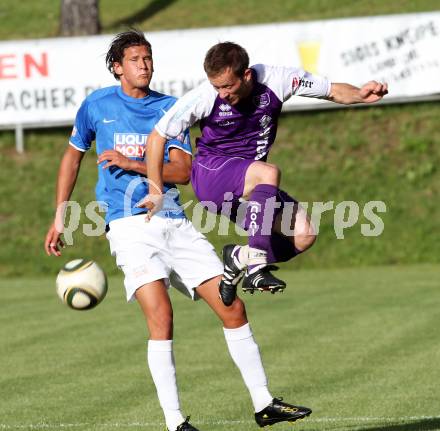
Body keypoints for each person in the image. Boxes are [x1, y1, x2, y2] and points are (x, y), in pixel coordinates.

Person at [44, 31, 312, 430]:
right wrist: (60, 214)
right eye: (135, 59)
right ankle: (175, 423)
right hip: (129, 227)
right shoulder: (96, 106)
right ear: (117, 67)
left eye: (148, 57)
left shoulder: (170, 108)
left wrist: (134, 164)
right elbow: (72, 157)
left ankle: (264, 402)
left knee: (232, 306)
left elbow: (184, 173)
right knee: (162, 317)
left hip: (174, 221)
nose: (145, 65)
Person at [142, 41, 389, 306]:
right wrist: (156, 191)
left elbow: (332, 91)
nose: (222, 94)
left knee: (303, 234)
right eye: (217, 87)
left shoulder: (279, 80)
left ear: (246, 75)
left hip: (251, 184)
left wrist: (360, 94)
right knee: (269, 172)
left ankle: (239, 257)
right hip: (211, 175)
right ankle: (256, 267)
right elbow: (157, 136)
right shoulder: (205, 96)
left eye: (227, 86)